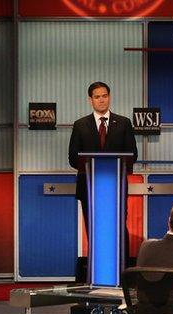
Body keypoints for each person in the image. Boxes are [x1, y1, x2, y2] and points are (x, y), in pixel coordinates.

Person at [68, 81, 138, 271]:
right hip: (88, 187)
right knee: (94, 229)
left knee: (117, 228)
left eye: (105, 96)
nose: (101, 100)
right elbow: (73, 158)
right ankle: (98, 271)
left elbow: (133, 155)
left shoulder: (123, 123)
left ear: (109, 97)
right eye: (97, 97)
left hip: (115, 187)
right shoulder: (80, 125)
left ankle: (121, 271)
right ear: (90, 100)